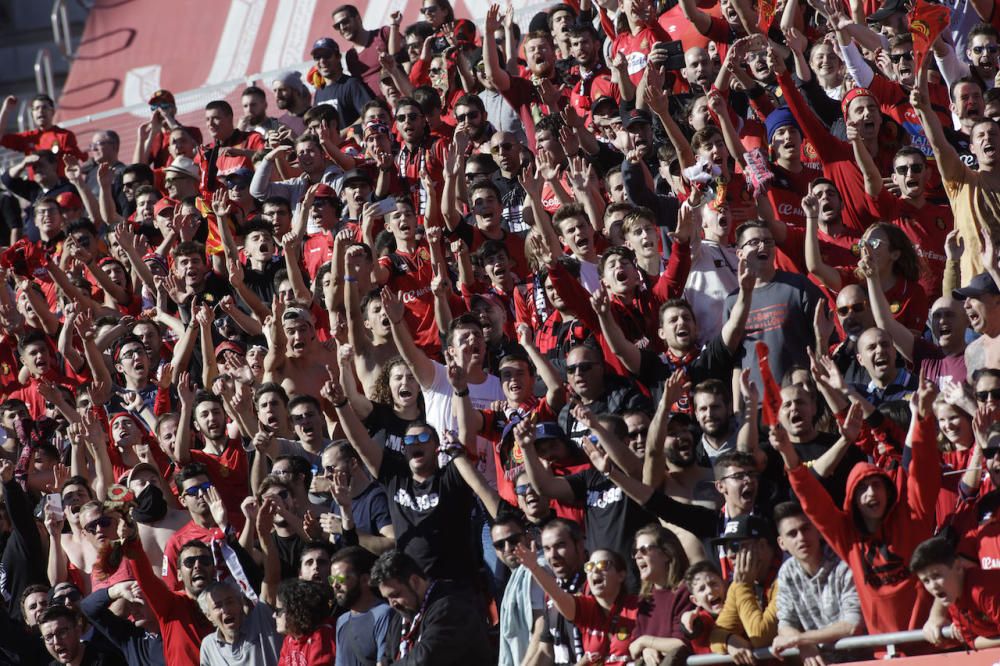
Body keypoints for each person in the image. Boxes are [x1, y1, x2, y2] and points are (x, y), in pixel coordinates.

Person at [770, 502, 862, 664]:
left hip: (863, 660)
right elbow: (785, 623)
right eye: (792, 534)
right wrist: (802, 643)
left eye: (805, 529)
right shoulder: (787, 572)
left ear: (818, 530)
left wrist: (801, 639)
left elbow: (852, 624)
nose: (801, 538)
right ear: (781, 543)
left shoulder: (843, 561)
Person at [370, 549, 492, 663]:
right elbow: (387, 657)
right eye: (387, 598)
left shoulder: (449, 606)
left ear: (415, 582)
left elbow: (425, 659)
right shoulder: (400, 617)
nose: (392, 604)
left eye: (395, 595)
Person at [913, 536, 1000, 650]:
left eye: (937, 576)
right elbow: (971, 641)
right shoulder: (952, 596)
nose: (933, 586)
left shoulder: (983, 591)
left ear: (958, 567)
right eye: (926, 581)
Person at [330, 546, 393, 666]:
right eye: (332, 579)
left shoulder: (384, 614)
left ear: (365, 580)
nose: (335, 585)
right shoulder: (342, 621)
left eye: (341, 579)